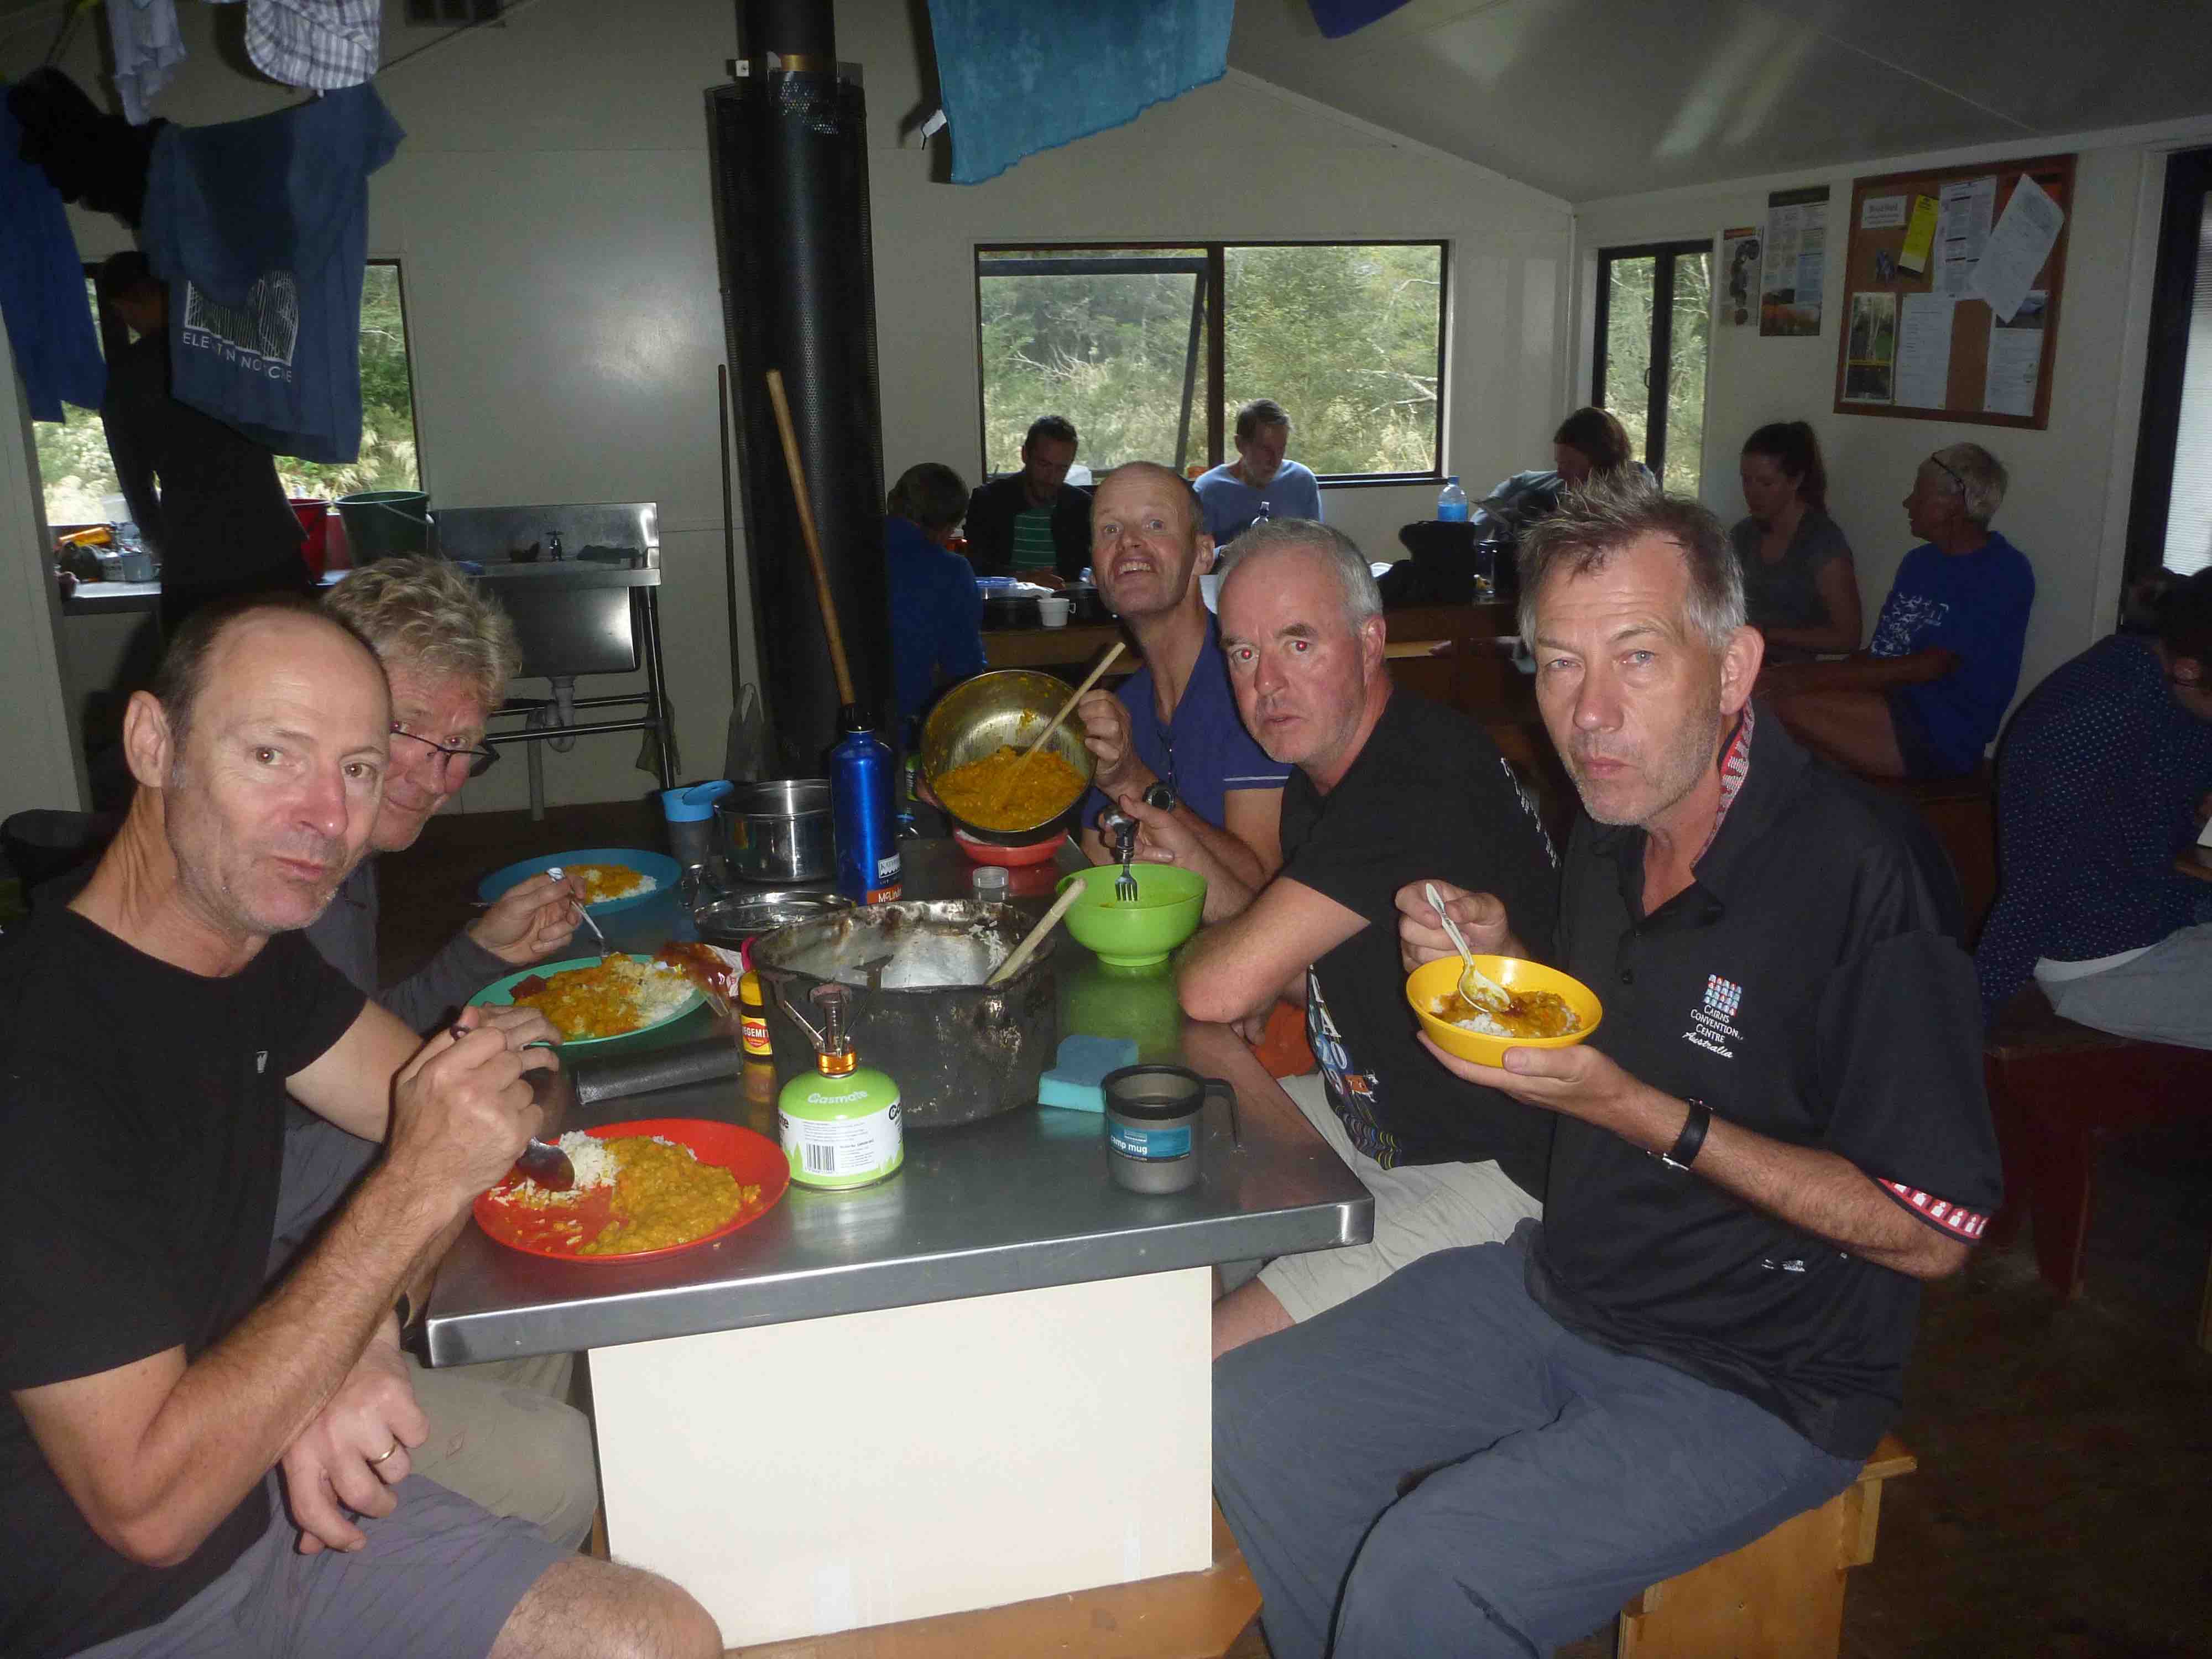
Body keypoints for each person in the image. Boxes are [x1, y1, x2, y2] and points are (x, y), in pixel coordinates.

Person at [1213, 478, 2000, 1659]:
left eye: (1635, 658)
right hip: (1564, 1288)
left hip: (1758, 1376)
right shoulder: (1611, 829)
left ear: (1731, 670)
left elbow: (1931, 1229)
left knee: (1432, 1569)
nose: (1588, 714)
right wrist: (1500, 957)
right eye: (1557, 664)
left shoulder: (1861, 879)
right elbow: (1613, 1025)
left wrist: (1643, 1116)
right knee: (1243, 1412)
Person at [0, 597, 720, 1659]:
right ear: (154, 743)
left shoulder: (254, 956)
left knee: (659, 1636)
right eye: (273, 754)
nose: (326, 817)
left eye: (357, 769)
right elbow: (148, 1513)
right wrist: (407, 1200)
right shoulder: (39, 1054)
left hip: (269, 1494)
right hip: (115, 1608)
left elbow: (504, 1112)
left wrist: (361, 1340)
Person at [1173, 520, 1558, 1357]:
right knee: (1157, 1130)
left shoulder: (1414, 777)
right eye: (1241, 654)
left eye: (1297, 642)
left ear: (1372, 641)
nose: (1266, 682)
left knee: (1193, 1367)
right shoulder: (1329, 771)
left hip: (1489, 1173)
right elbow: (1293, 969)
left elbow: (1215, 989)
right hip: (1368, 1121)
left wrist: (1237, 960)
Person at [273, 556, 597, 1550]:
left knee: (552, 1312)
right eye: (425, 738)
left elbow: (335, 1035)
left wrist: (477, 959)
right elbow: (286, 1160)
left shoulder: (344, 863)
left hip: (313, 1253)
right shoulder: (279, 881)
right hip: (263, 1299)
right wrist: (483, 1095)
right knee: (563, 1455)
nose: (448, 779)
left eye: (467, 750)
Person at [1975, 569, 2212, 1042]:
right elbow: (2032, 892)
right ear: (2188, 670)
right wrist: (1958, 1028)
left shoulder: (2172, 685)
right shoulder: (2090, 718)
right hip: (2102, 958)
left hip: (2171, 909)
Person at [1074, 462, 1288, 891]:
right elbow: (1098, 869)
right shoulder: (1124, 706)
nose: (1130, 542)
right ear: (1095, 568)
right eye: (1109, 530)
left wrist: (1131, 777)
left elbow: (1262, 890)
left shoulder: (1251, 684)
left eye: (1155, 524)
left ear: (1203, 554)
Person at [1765, 444, 2033, 780]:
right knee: (1767, 700)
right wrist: (1801, 673)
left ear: (1953, 504)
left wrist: (1805, 677)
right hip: (1884, 704)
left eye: (1918, 493)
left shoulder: (2003, 572)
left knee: (1773, 707)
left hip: (1937, 733)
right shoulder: (1919, 564)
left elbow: (1932, 665)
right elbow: (1883, 654)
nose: (1908, 503)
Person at [94, 251, 312, 635]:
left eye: (125, 311)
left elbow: (135, 483)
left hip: (196, 553)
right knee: (296, 654)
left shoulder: (125, 377)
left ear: (131, 303)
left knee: (199, 678)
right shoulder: (228, 348)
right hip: (270, 537)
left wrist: (162, 546)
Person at [1730, 420, 1860, 659]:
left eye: (1766, 483)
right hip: (1739, 661)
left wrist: (1765, 632)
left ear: (1796, 481)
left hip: (1791, 675)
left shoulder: (1822, 542)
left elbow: (1848, 637)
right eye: (1746, 480)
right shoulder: (1741, 535)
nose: (1752, 492)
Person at [884, 462, 988, 732]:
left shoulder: (842, 549)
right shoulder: (950, 570)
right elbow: (965, 671)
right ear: (945, 526)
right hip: (912, 733)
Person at [962, 414, 1090, 586]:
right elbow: (975, 570)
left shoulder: (1080, 506)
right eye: (1044, 465)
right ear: (1025, 455)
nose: (1051, 478)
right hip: (1006, 607)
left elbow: (1089, 569)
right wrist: (1023, 580)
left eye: (1062, 468)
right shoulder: (990, 501)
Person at [1194, 398, 1324, 545]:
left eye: (1281, 449)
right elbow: (1196, 558)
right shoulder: (1209, 490)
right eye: (1265, 449)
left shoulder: (1302, 482)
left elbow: (1316, 546)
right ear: (1240, 445)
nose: (1275, 460)